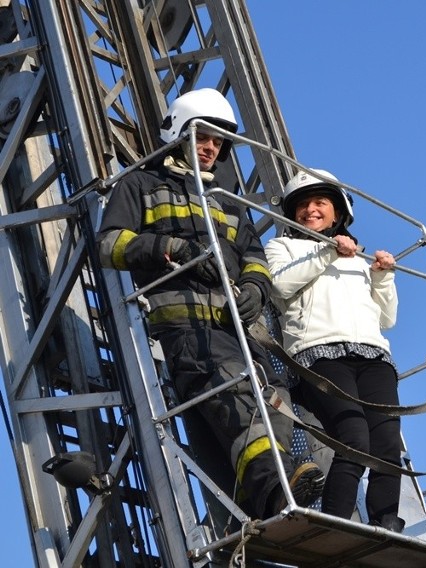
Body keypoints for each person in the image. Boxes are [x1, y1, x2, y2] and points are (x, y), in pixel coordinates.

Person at [96, 88, 324, 520]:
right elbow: (110, 244)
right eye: (203, 138)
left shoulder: (225, 202)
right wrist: (173, 248)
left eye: (217, 143)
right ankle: (275, 491)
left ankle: (256, 495)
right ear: (179, 133)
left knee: (273, 400)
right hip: (186, 331)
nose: (211, 148)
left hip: (236, 328)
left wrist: (255, 289)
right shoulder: (141, 183)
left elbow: (254, 258)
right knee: (236, 391)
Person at [265, 169, 405, 532]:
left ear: (337, 212)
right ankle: (337, 526)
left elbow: (387, 318)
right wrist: (327, 251)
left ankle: (386, 522)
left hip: (373, 356)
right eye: (303, 205)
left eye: (320, 203)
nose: (310, 210)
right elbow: (279, 286)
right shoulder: (283, 248)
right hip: (319, 355)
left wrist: (382, 276)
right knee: (353, 438)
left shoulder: (357, 260)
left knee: (387, 444)